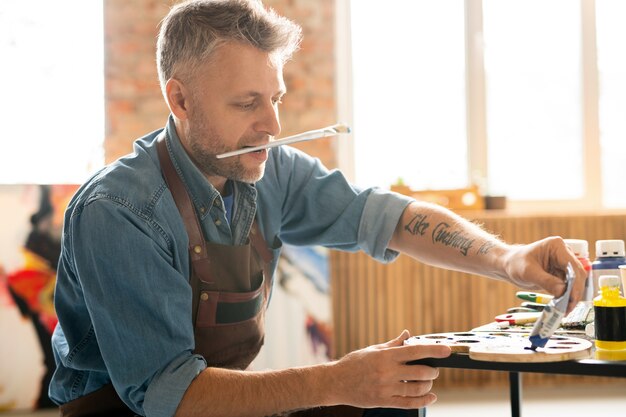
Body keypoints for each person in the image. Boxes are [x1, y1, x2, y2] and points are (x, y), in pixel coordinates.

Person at [49, 1, 587, 416]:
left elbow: (387, 217)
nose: (273, 126)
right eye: (246, 103)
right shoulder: (117, 211)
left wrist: (508, 259)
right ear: (180, 100)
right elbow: (168, 396)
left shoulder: (268, 168)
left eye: (274, 99)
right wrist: (336, 380)